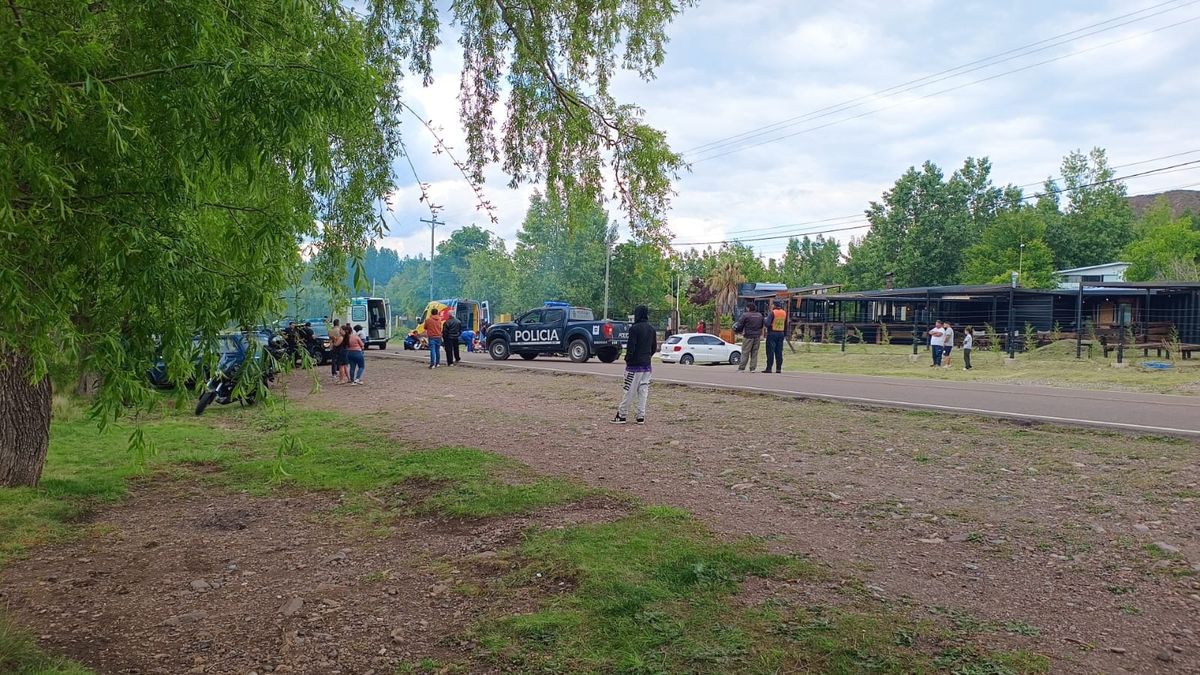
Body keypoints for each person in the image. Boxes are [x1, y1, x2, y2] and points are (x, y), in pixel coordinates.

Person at [612, 305, 656, 425]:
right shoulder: (651, 329)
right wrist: (647, 357)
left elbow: (631, 347)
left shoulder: (634, 329)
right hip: (647, 365)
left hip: (634, 365)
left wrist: (628, 359)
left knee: (629, 390)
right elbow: (654, 347)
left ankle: (622, 415)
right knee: (643, 390)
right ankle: (640, 416)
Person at [733, 302, 765, 372]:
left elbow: (740, 325)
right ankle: (753, 368)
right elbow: (762, 325)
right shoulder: (760, 315)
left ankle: (742, 368)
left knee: (745, 352)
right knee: (754, 352)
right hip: (757, 336)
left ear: (748, 308)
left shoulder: (745, 315)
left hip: (748, 336)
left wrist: (738, 331)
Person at [763, 301, 788, 374]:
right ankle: (778, 368)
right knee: (779, 352)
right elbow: (786, 324)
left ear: (774, 305)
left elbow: (767, 323)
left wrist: (764, 319)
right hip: (781, 333)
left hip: (772, 333)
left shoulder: (773, 313)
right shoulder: (784, 313)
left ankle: (769, 368)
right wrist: (785, 334)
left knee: (770, 351)